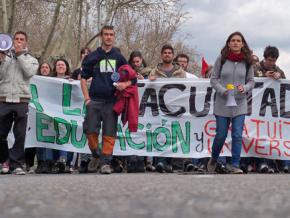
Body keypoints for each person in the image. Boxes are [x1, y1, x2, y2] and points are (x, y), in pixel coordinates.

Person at [81, 25, 136, 174]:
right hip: (94, 100)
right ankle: (96, 154)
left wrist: (124, 84)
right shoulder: (91, 57)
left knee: (109, 133)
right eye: (106, 34)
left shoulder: (119, 57)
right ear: (101, 36)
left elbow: (133, 78)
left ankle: (106, 163)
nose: (109, 37)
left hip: (112, 101)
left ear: (114, 36)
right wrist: (87, 99)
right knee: (90, 131)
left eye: (111, 34)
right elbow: (83, 78)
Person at [207, 31, 255, 174]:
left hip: (240, 104)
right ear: (228, 43)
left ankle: (235, 164)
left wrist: (245, 88)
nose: (235, 42)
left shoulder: (247, 61)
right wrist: (222, 91)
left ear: (242, 44)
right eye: (233, 40)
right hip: (222, 103)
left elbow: (251, 81)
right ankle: (214, 159)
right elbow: (213, 79)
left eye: (238, 40)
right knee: (221, 135)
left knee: (237, 135)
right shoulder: (221, 59)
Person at [0, 31, 39, 175]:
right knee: (1, 133)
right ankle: (4, 160)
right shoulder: (4, 57)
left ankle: (17, 164)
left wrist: (20, 55)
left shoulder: (31, 59)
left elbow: (28, 72)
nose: (18, 41)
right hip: (3, 99)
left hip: (21, 100)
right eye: (16, 39)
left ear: (26, 43)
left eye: (22, 39)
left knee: (20, 134)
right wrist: (2, 59)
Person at [149, 44, 186, 173]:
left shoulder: (181, 72)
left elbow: (186, 90)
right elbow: (149, 87)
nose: (167, 54)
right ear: (161, 55)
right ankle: (160, 161)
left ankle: (173, 163)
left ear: (173, 55)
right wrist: (151, 80)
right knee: (160, 134)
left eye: (169, 52)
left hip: (176, 109)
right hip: (160, 109)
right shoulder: (154, 71)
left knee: (174, 135)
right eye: (165, 52)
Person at [254, 46, 286, 173]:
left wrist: (280, 78)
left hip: (273, 111)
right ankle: (262, 162)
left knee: (273, 137)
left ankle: (277, 163)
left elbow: (285, 88)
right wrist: (262, 76)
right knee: (260, 136)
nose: (271, 63)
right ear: (264, 58)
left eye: (273, 61)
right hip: (257, 110)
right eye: (269, 60)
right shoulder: (255, 68)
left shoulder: (279, 71)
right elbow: (249, 80)